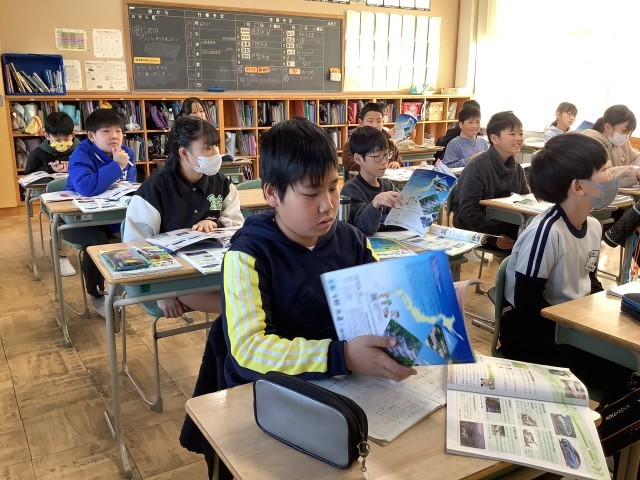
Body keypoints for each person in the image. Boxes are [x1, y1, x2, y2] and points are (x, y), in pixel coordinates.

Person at [220, 117, 416, 388]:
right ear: (273, 193)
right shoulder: (248, 256)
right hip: (275, 391)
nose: (328, 205)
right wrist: (342, 356)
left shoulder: (353, 241)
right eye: (311, 194)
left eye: (333, 187)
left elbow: (383, 306)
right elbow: (249, 351)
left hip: (353, 383)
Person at [501, 134, 631, 397]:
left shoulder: (593, 226)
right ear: (579, 186)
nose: (611, 177)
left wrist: (602, 319)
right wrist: (578, 332)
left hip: (572, 325)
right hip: (533, 334)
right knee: (623, 371)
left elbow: (589, 279)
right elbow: (526, 304)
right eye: (605, 169)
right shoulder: (547, 232)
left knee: (626, 358)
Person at [124, 116, 244, 317]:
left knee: (251, 296)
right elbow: (136, 244)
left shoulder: (222, 184)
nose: (216, 153)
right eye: (207, 148)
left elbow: (236, 224)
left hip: (215, 267)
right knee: (240, 310)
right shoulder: (154, 189)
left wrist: (215, 223)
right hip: (177, 279)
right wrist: (161, 293)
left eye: (216, 146)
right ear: (184, 153)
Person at [65, 108, 137, 315]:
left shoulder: (126, 152)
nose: (114, 136)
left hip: (112, 216)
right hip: (80, 219)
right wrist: (116, 166)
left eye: (118, 131)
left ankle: (123, 286)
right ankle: (96, 294)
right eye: (106, 131)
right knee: (96, 242)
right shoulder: (81, 154)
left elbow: (129, 187)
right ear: (91, 136)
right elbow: (86, 187)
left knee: (139, 233)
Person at [452, 111, 529, 249]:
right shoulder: (477, 166)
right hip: (478, 229)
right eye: (512, 134)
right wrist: (494, 238)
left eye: (521, 133)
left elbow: (525, 203)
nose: (518, 138)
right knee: (529, 246)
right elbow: (468, 212)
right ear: (494, 139)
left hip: (507, 226)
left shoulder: (517, 168)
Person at [340, 126, 404, 235]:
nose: (384, 161)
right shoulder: (351, 189)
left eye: (386, 154)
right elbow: (364, 228)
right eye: (377, 156)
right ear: (358, 159)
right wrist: (376, 203)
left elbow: (403, 214)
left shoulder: (387, 185)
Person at [582, 104, 640, 188]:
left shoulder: (623, 143)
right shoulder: (591, 144)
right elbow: (604, 175)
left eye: (629, 132)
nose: (626, 136)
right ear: (608, 127)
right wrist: (635, 173)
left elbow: (635, 159)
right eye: (624, 131)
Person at [342, 102, 401, 173]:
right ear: (361, 123)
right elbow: (348, 163)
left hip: (387, 178)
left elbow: (399, 162)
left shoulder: (389, 143)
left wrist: (396, 164)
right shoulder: (353, 142)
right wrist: (372, 165)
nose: (375, 125)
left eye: (379, 121)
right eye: (370, 121)